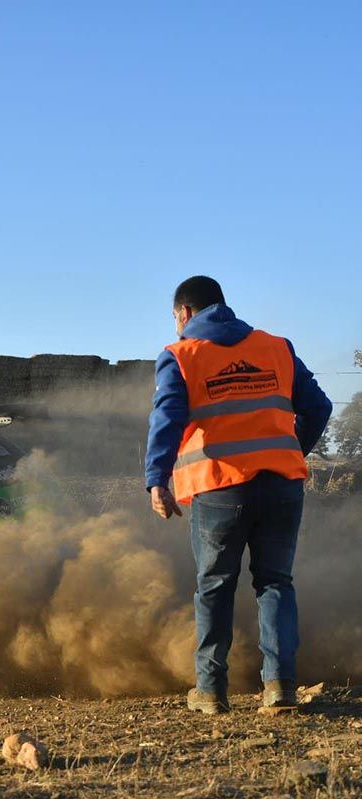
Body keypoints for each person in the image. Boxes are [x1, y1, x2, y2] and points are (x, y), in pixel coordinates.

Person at [145, 276, 331, 715]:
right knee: (275, 583)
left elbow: (166, 420)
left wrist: (157, 479)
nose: (175, 328)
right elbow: (318, 407)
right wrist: (288, 451)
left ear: (185, 313)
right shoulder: (276, 347)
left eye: (175, 319)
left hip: (219, 488)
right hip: (282, 487)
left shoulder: (181, 355)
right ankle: (281, 689)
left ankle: (210, 691)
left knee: (214, 586)